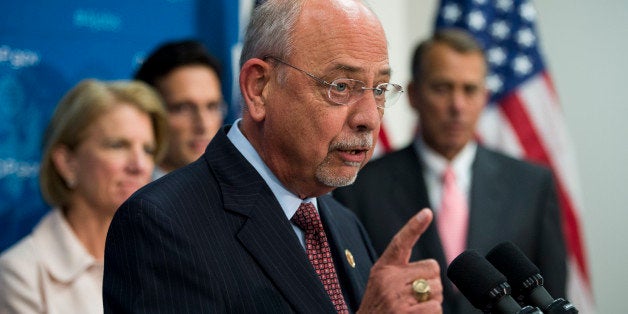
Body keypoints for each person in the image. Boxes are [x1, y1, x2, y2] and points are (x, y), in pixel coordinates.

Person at [103, 0, 444, 313]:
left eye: (380, 90)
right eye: (341, 86)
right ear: (259, 87)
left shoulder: (343, 222)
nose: (369, 117)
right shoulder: (161, 224)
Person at [333, 28, 567, 313]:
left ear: (484, 97)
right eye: (442, 88)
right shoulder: (358, 186)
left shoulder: (532, 185)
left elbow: (550, 295)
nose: (457, 105)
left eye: (469, 90)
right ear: (414, 95)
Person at [0, 79, 168, 313]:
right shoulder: (20, 275)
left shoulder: (166, 259)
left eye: (148, 150)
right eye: (118, 145)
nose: (139, 165)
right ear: (67, 162)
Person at [134, 39, 225, 179]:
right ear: (149, 115)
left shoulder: (242, 193)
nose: (203, 125)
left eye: (212, 107)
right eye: (183, 108)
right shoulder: (126, 198)